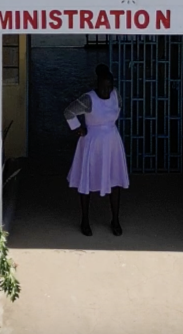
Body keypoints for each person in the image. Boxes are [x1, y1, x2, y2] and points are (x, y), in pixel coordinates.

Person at [67, 63, 129, 236]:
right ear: (97, 85)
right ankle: (85, 220)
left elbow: (118, 108)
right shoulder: (89, 99)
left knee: (115, 180)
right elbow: (69, 112)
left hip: (112, 143)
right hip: (92, 143)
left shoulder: (116, 94)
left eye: (109, 87)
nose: (106, 91)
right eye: (103, 87)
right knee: (87, 180)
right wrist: (78, 128)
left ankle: (115, 219)